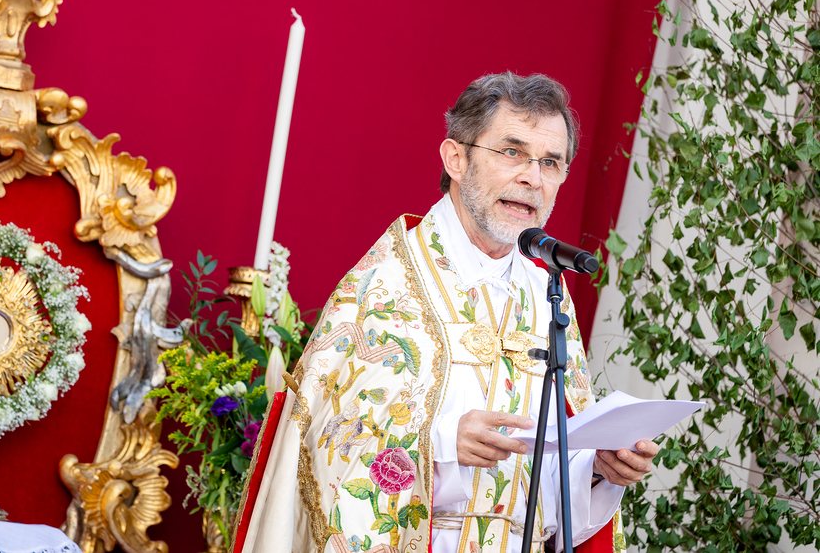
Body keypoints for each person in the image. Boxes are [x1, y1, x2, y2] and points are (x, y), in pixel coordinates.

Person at [237, 73, 658, 553]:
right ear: (456, 159)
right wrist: (438, 444)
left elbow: (550, 479)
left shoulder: (548, 293)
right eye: (512, 152)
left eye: (550, 162)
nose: (533, 178)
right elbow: (321, 445)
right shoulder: (388, 282)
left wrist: (598, 469)